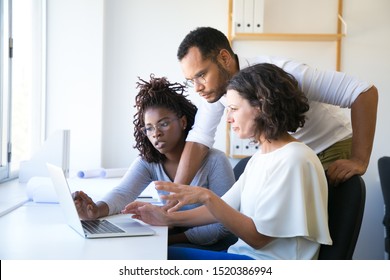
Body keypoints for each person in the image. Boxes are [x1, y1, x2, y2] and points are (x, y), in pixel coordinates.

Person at [123, 63, 332, 260]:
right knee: (159, 254)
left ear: (260, 106)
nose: (229, 118)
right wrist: (166, 218)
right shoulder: (260, 158)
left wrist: (206, 196)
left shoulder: (294, 160)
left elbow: (258, 239)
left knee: (160, 258)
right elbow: (222, 209)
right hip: (243, 257)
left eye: (234, 108)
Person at [173, 26, 378, 187]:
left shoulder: (284, 73)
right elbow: (199, 138)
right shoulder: (214, 90)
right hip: (289, 155)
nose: (197, 87)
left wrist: (359, 159)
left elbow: (363, 92)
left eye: (201, 74)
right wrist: (173, 195)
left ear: (224, 58)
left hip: (329, 146)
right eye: (191, 80)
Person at [72, 75, 237, 249]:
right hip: (174, 236)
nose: (156, 133)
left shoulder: (215, 161)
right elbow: (122, 194)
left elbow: (224, 225)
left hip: (213, 245)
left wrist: (166, 240)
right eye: (149, 128)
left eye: (163, 124)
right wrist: (95, 210)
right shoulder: (149, 162)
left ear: (182, 122)